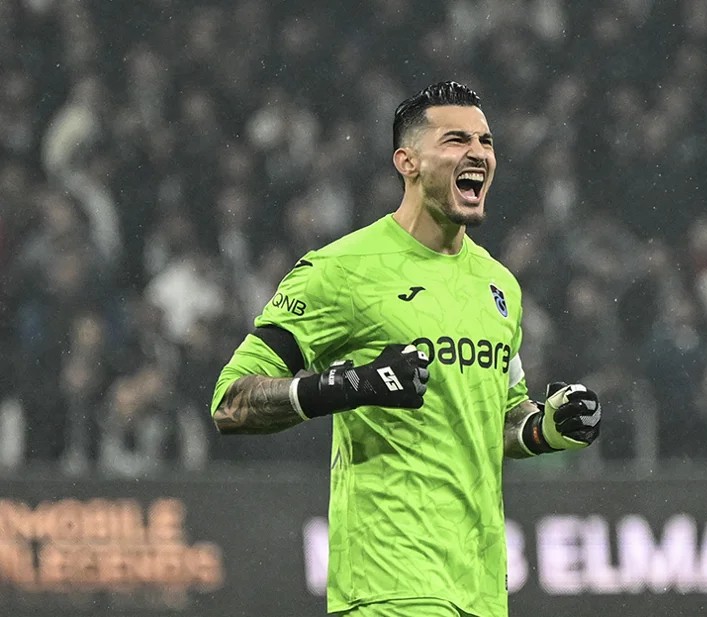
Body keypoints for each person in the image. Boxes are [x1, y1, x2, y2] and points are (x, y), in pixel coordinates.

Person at [209, 81, 601, 617]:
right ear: (407, 161)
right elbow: (230, 403)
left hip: (481, 591)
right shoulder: (341, 270)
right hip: (387, 586)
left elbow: (499, 420)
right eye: (456, 140)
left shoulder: (499, 285)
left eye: (485, 141)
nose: (478, 154)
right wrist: (352, 385)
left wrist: (548, 427)